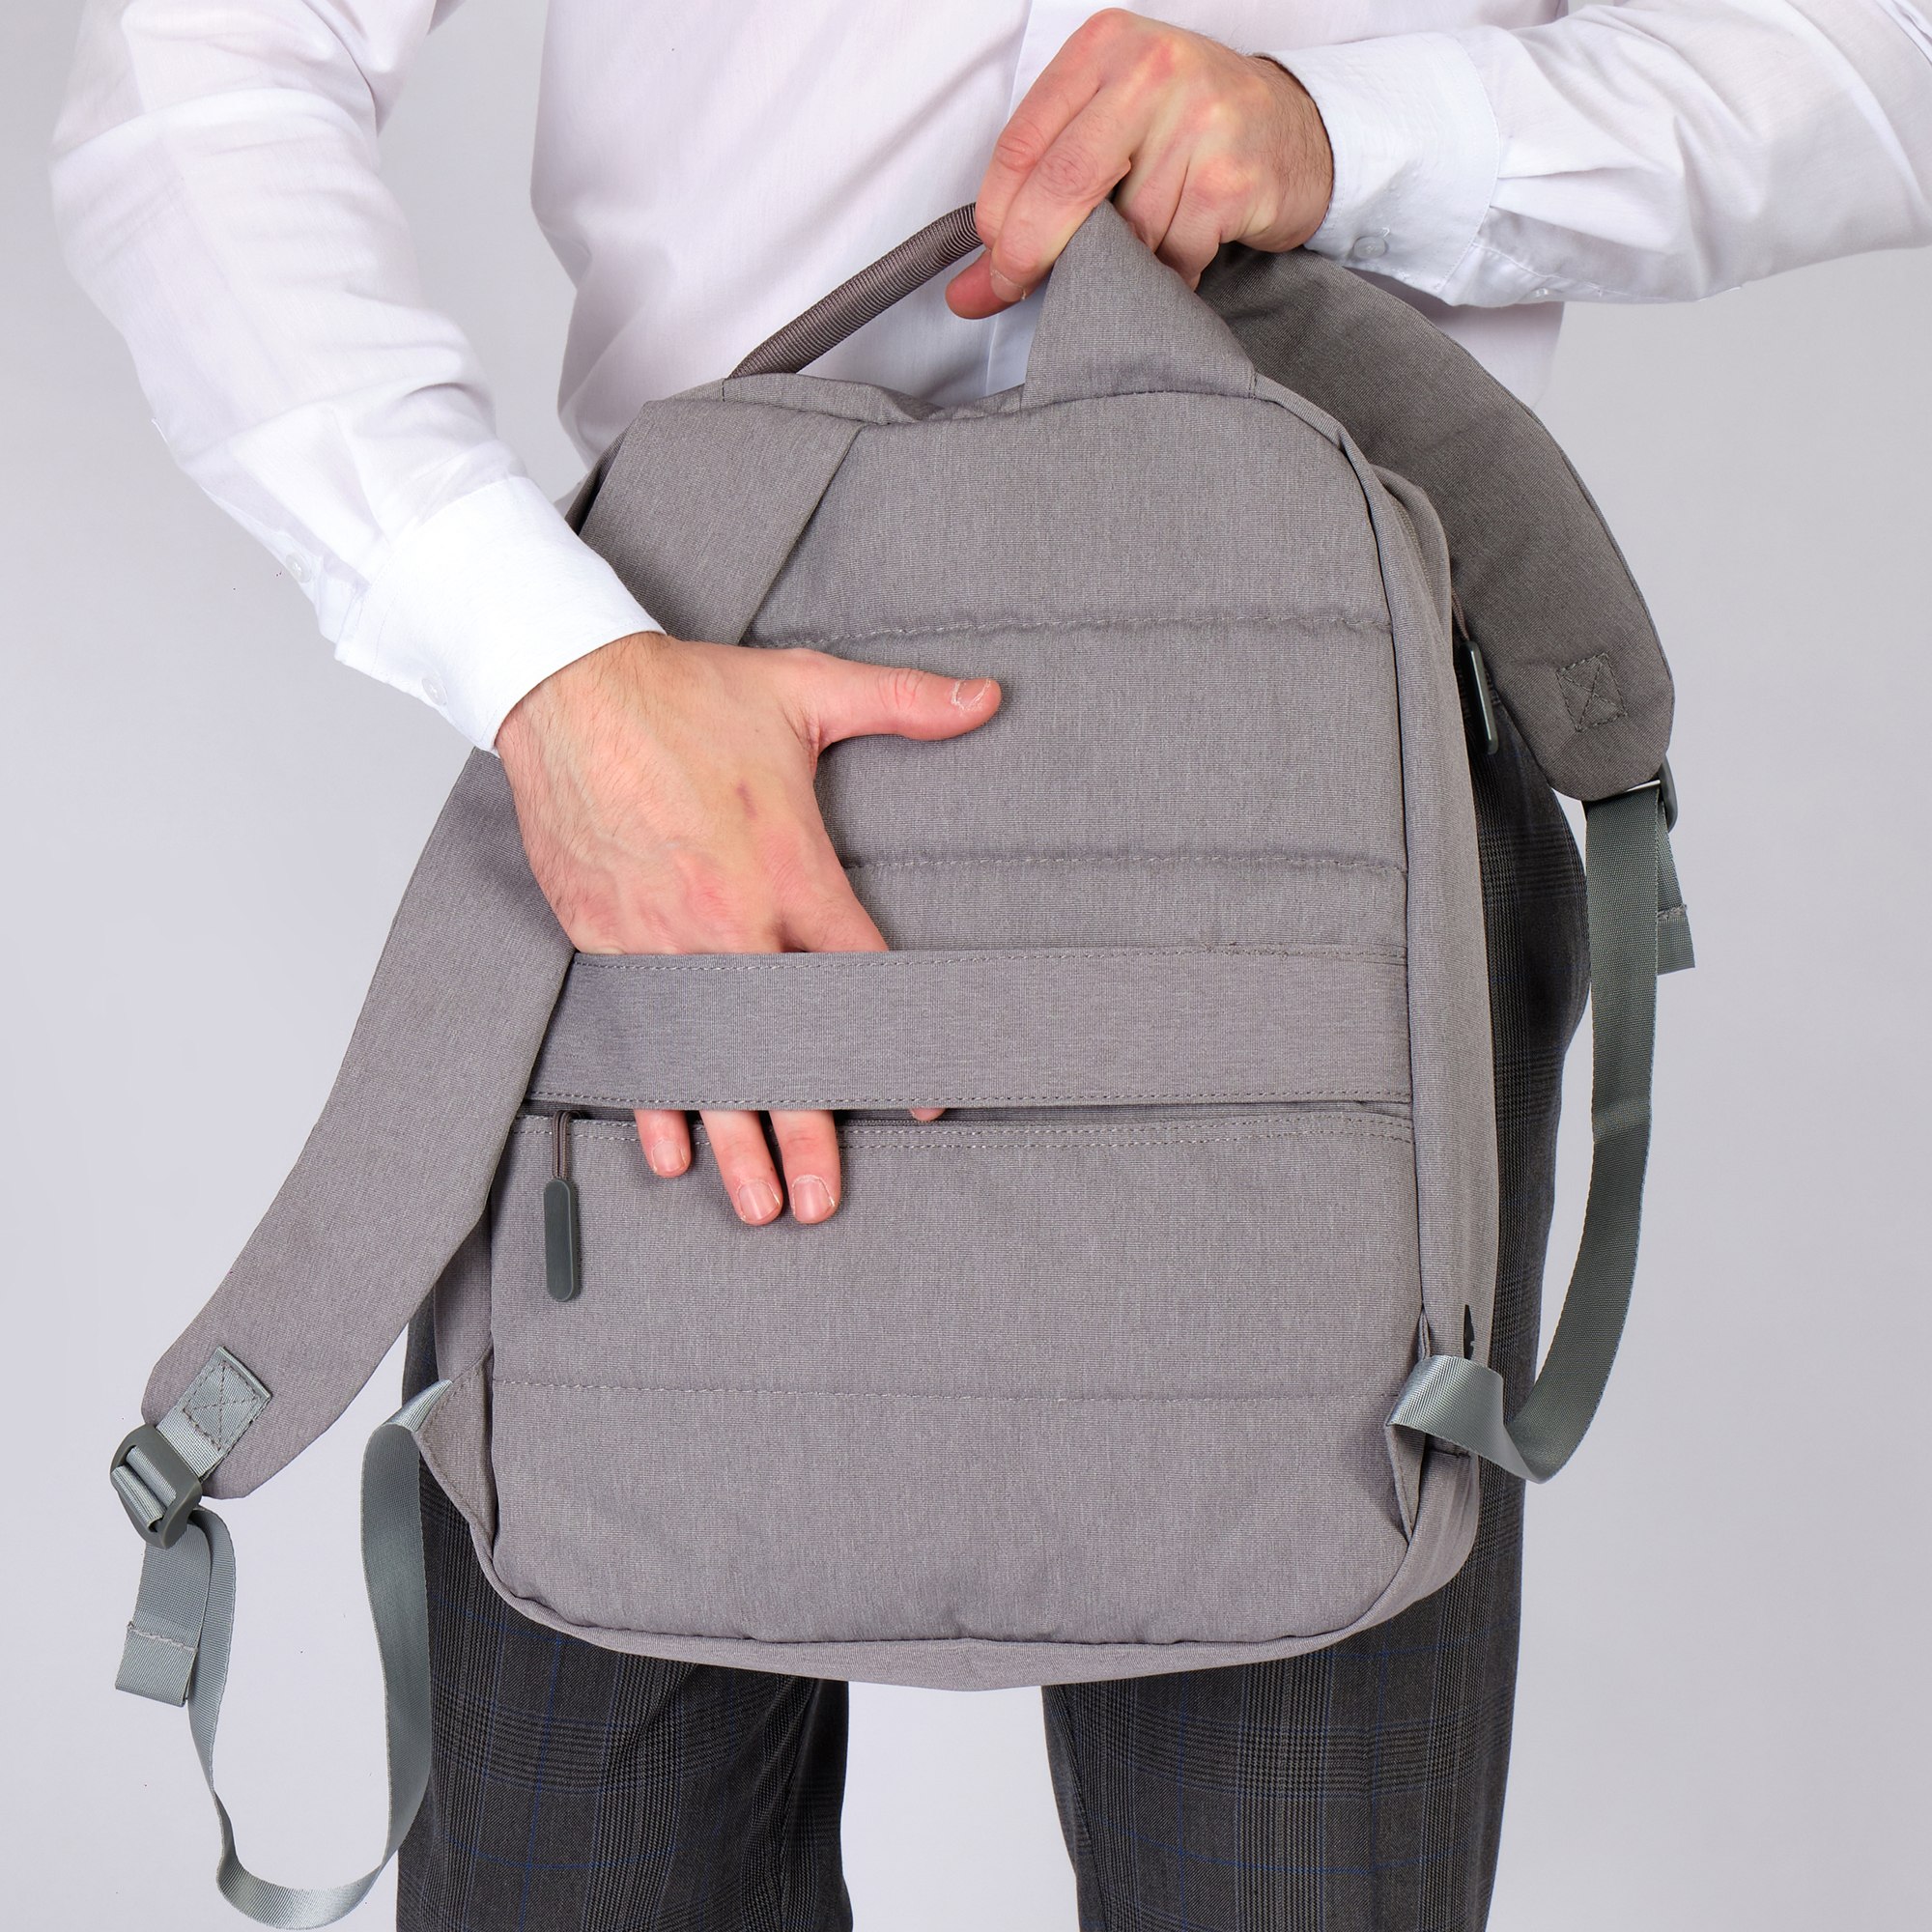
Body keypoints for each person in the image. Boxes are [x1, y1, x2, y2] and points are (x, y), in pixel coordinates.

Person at [53, 5, 1932, 1928]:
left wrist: (1368, 135)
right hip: (690, 760)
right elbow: (193, 62)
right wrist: (547, 670)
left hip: (1310, 812)